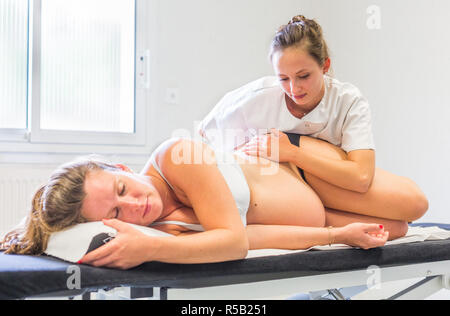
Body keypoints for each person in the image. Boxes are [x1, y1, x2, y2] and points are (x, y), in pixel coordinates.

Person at [1, 137, 401, 270]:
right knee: (398, 231)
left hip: (303, 171)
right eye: (115, 215)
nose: (135, 205)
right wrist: (335, 234)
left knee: (414, 206)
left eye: (123, 189)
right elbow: (252, 236)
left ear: (121, 167)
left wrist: (154, 247)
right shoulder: (165, 228)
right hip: (323, 210)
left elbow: (233, 243)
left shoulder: (174, 157)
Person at [198, 14, 428, 224]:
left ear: (325, 65)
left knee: (409, 212)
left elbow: (361, 177)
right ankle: (317, 216)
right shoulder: (252, 99)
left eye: (303, 76)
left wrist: (292, 153)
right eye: (283, 78)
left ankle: (318, 215)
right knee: (394, 226)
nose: (293, 88)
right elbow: (204, 140)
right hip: (276, 179)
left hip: (317, 169)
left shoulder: (348, 101)